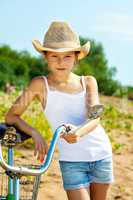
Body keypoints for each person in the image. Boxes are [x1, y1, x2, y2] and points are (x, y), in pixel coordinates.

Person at [5, 21, 114, 200]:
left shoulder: (88, 82)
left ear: (76, 57)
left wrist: (78, 133)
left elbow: (96, 117)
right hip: (72, 161)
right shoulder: (39, 85)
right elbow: (11, 116)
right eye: (54, 56)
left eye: (67, 56)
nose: (61, 62)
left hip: (101, 154)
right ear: (46, 57)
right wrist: (35, 133)